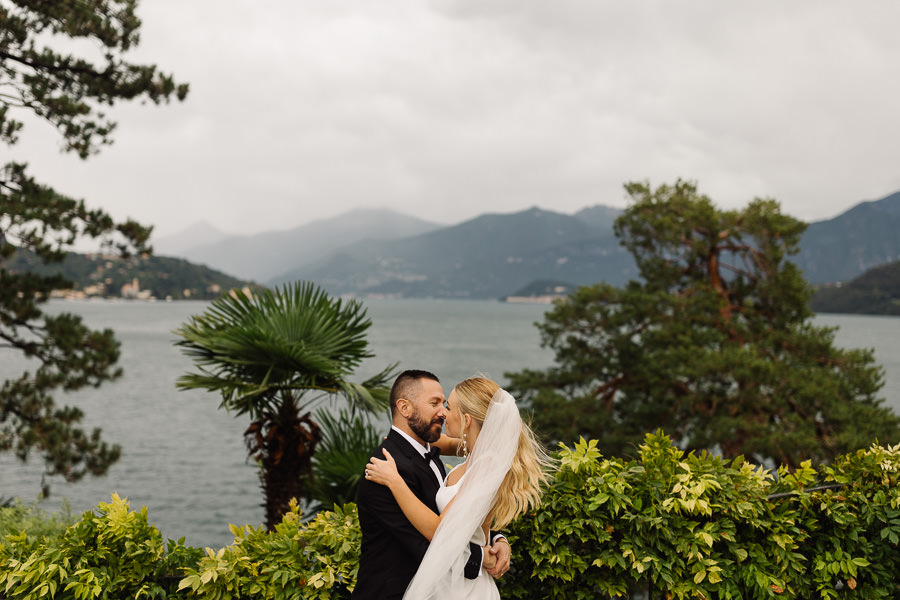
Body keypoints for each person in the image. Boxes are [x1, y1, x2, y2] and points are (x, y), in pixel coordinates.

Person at [364, 376, 551, 600]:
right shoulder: (474, 452)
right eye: (436, 404)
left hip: (464, 589)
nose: (443, 412)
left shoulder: (485, 464)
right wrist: (493, 543)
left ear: (466, 420)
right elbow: (430, 441)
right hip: (428, 585)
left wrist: (394, 481)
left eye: (447, 406)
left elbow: (440, 529)